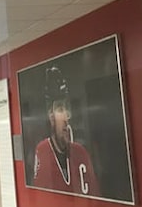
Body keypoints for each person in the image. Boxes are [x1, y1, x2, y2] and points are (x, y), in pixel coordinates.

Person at [33, 65, 99, 196]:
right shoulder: (42, 150)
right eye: (60, 109)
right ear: (50, 116)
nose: (66, 117)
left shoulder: (81, 153)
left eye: (68, 109)